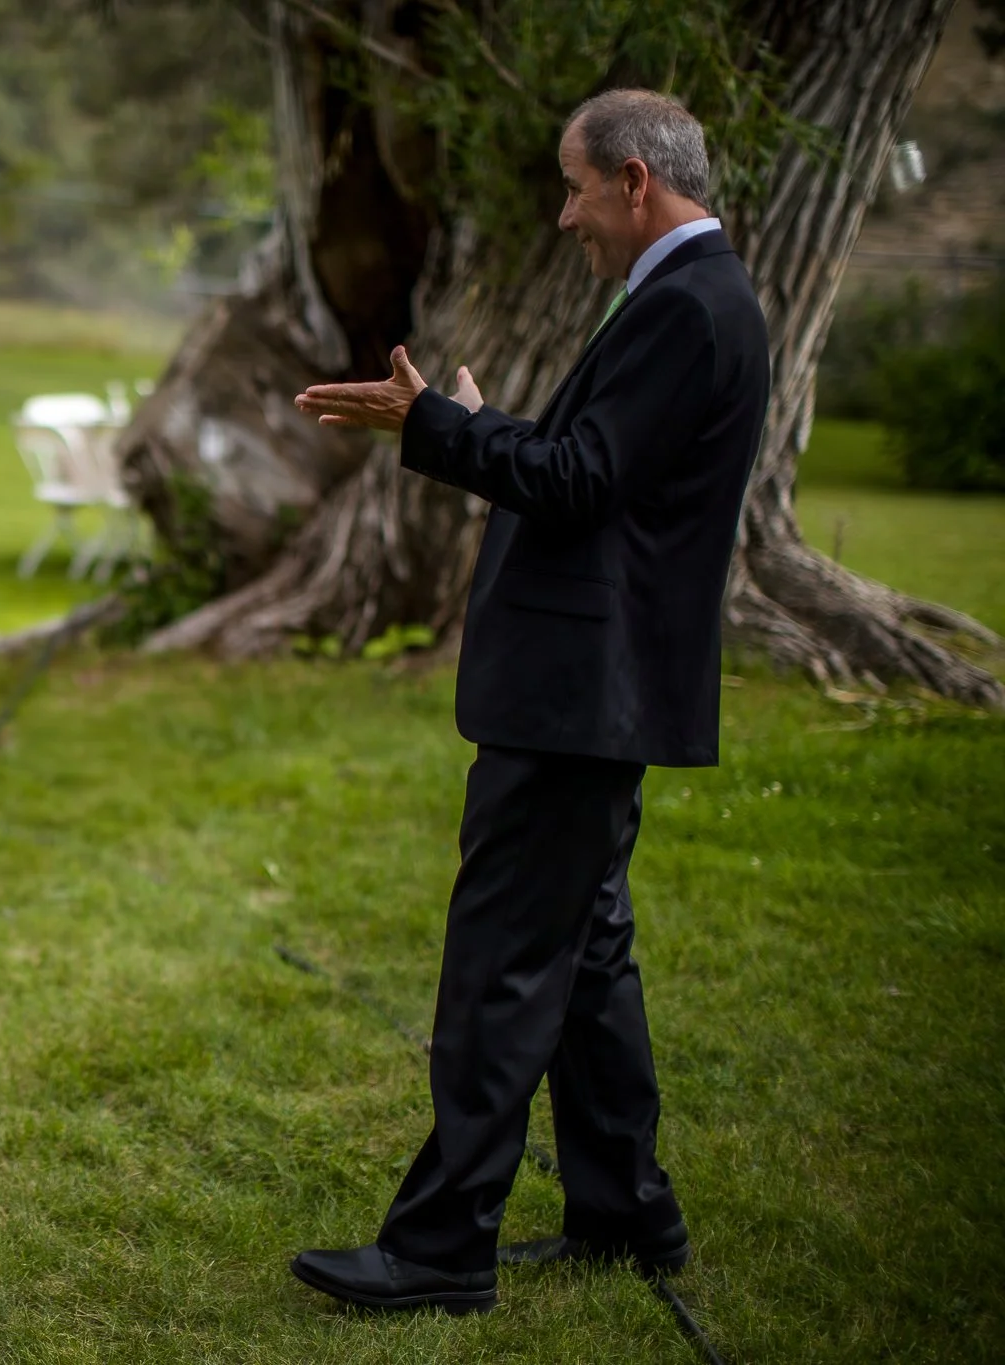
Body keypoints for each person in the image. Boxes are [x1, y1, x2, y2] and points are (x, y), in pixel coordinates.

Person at [286, 90, 771, 1313]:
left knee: (503, 965)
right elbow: (593, 469)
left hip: (579, 694)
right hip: (588, 692)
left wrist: (439, 427)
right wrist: (474, 422)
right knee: (585, 961)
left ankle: (440, 1249)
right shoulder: (684, 298)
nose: (563, 217)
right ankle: (625, 1219)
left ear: (632, 183)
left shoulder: (689, 303)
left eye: (571, 190)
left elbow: (577, 482)